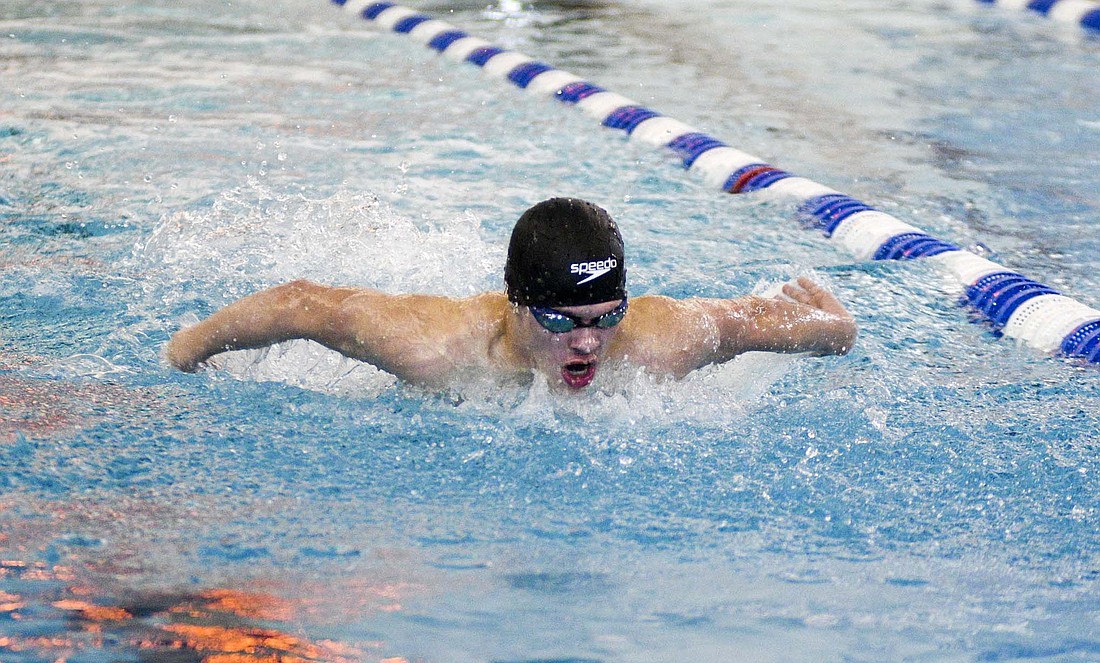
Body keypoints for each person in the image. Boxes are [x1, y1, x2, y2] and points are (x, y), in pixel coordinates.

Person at [165, 197, 857, 391]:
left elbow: (751, 321)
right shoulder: (434, 346)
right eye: (563, 318)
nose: (588, 341)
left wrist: (835, 326)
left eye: (604, 316)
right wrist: (186, 351)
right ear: (516, 303)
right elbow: (301, 303)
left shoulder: (657, 341)